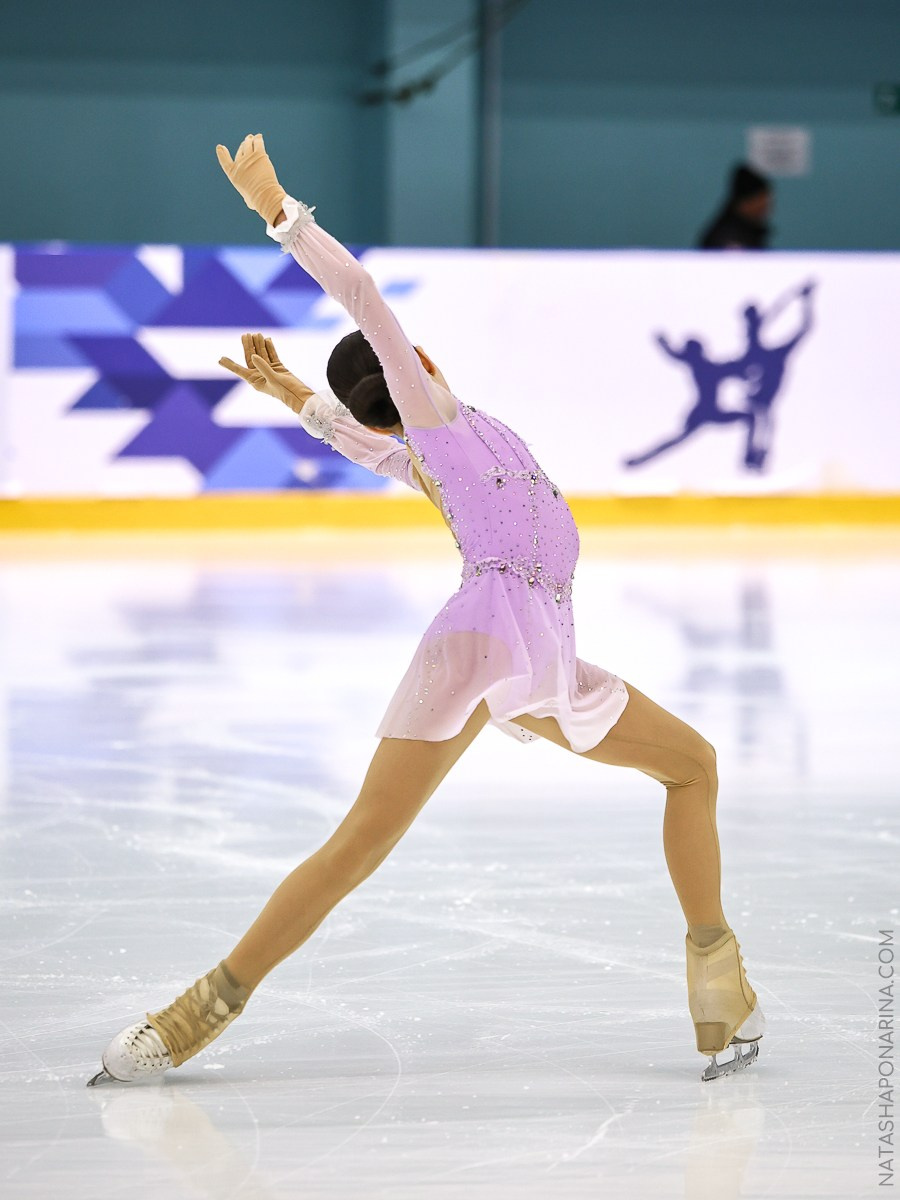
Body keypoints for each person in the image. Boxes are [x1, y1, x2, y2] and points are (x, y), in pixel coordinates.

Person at [88, 134, 764, 1087]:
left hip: (542, 659)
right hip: (491, 644)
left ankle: (720, 995)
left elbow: (366, 446)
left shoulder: (436, 448)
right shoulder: (436, 417)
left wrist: (292, 393)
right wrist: (280, 211)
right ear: (413, 371)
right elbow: (364, 303)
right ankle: (190, 1015)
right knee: (362, 838)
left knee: (691, 766)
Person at [697, 163, 773, 251]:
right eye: (762, 205)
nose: (766, 210)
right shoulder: (726, 239)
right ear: (746, 202)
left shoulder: (748, 232)